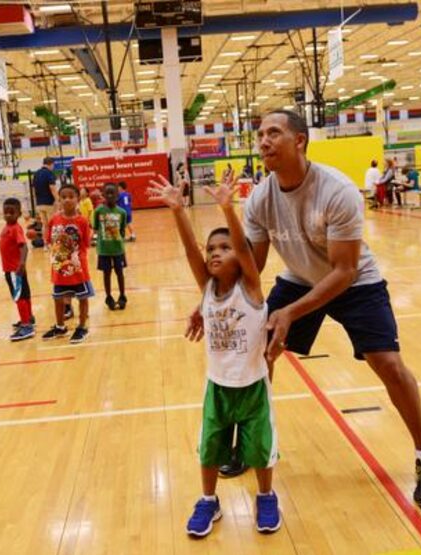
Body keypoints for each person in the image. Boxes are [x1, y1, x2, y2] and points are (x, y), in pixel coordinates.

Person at [190, 110, 421, 508]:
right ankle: (252, 439)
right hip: (299, 277)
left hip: (354, 281)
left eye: (273, 133)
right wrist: (209, 301)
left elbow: (344, 271)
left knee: (389, 364)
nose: (263, 142)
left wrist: (291, 312)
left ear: (300, 140)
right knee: (259, 348)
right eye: (260, 135)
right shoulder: (261, 197)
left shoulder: (337, 190)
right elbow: (251, 270)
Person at [149, 173, 281, 538]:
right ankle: (209, 501)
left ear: (240, 258)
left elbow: (244, 249)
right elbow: (191, 250)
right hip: (218, 388)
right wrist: (178, 210)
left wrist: (228, 208)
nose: (215, 254)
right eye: (212, 250)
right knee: (209, 449)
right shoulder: (207, 289)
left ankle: (266, 496)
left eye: (224, 249)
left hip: (253, 387)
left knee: (260, 450)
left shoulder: (251, 289)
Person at [42, 183, 93, 343]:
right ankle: (60, 326)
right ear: (59, 199)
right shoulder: (54, 220)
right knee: (58, 299)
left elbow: (86, 244)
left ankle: (82, 327)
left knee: (82, 298)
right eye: (63, 197)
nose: (67, 200)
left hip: (78, 269)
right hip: (58, 268)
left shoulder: (82, 221)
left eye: (71, 196)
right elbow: (49, 240)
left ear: (78, 199)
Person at [0, 197, 35, 341]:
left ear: (19, 214)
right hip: (12, 269)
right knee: (25, 295)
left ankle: (26, 327)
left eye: (11, 212)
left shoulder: (15, 229)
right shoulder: (7, 227)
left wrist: (21, 264)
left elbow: (24, 247)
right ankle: (28, 318)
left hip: (15, 270)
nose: (8, 215)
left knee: (19, 297)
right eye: (6, 212)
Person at [93, 183, 128, 311]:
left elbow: (123, 230)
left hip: (118, 249)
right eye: (107, 193)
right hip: (104, 250)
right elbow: (96, 227)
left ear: (117, 195)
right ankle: (108, 297)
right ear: (103, 195)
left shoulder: (122, 212)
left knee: (120, 272)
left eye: (112, 193)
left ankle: (122, 296)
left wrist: (118, 240)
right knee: (106, 273)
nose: (110, 195)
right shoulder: (98, 211)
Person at [32, 157, 58, 248]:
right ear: (51, 164)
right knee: (53, 224)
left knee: (44, 225)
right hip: (49, 203)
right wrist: (58, 200)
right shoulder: (49, 173)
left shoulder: (36, 174)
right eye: (53, 165)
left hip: (39, 204)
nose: (53, 167)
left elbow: (34, 191)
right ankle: (54, 243)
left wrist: (37, 202)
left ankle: (45, 245)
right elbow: (52, 188)